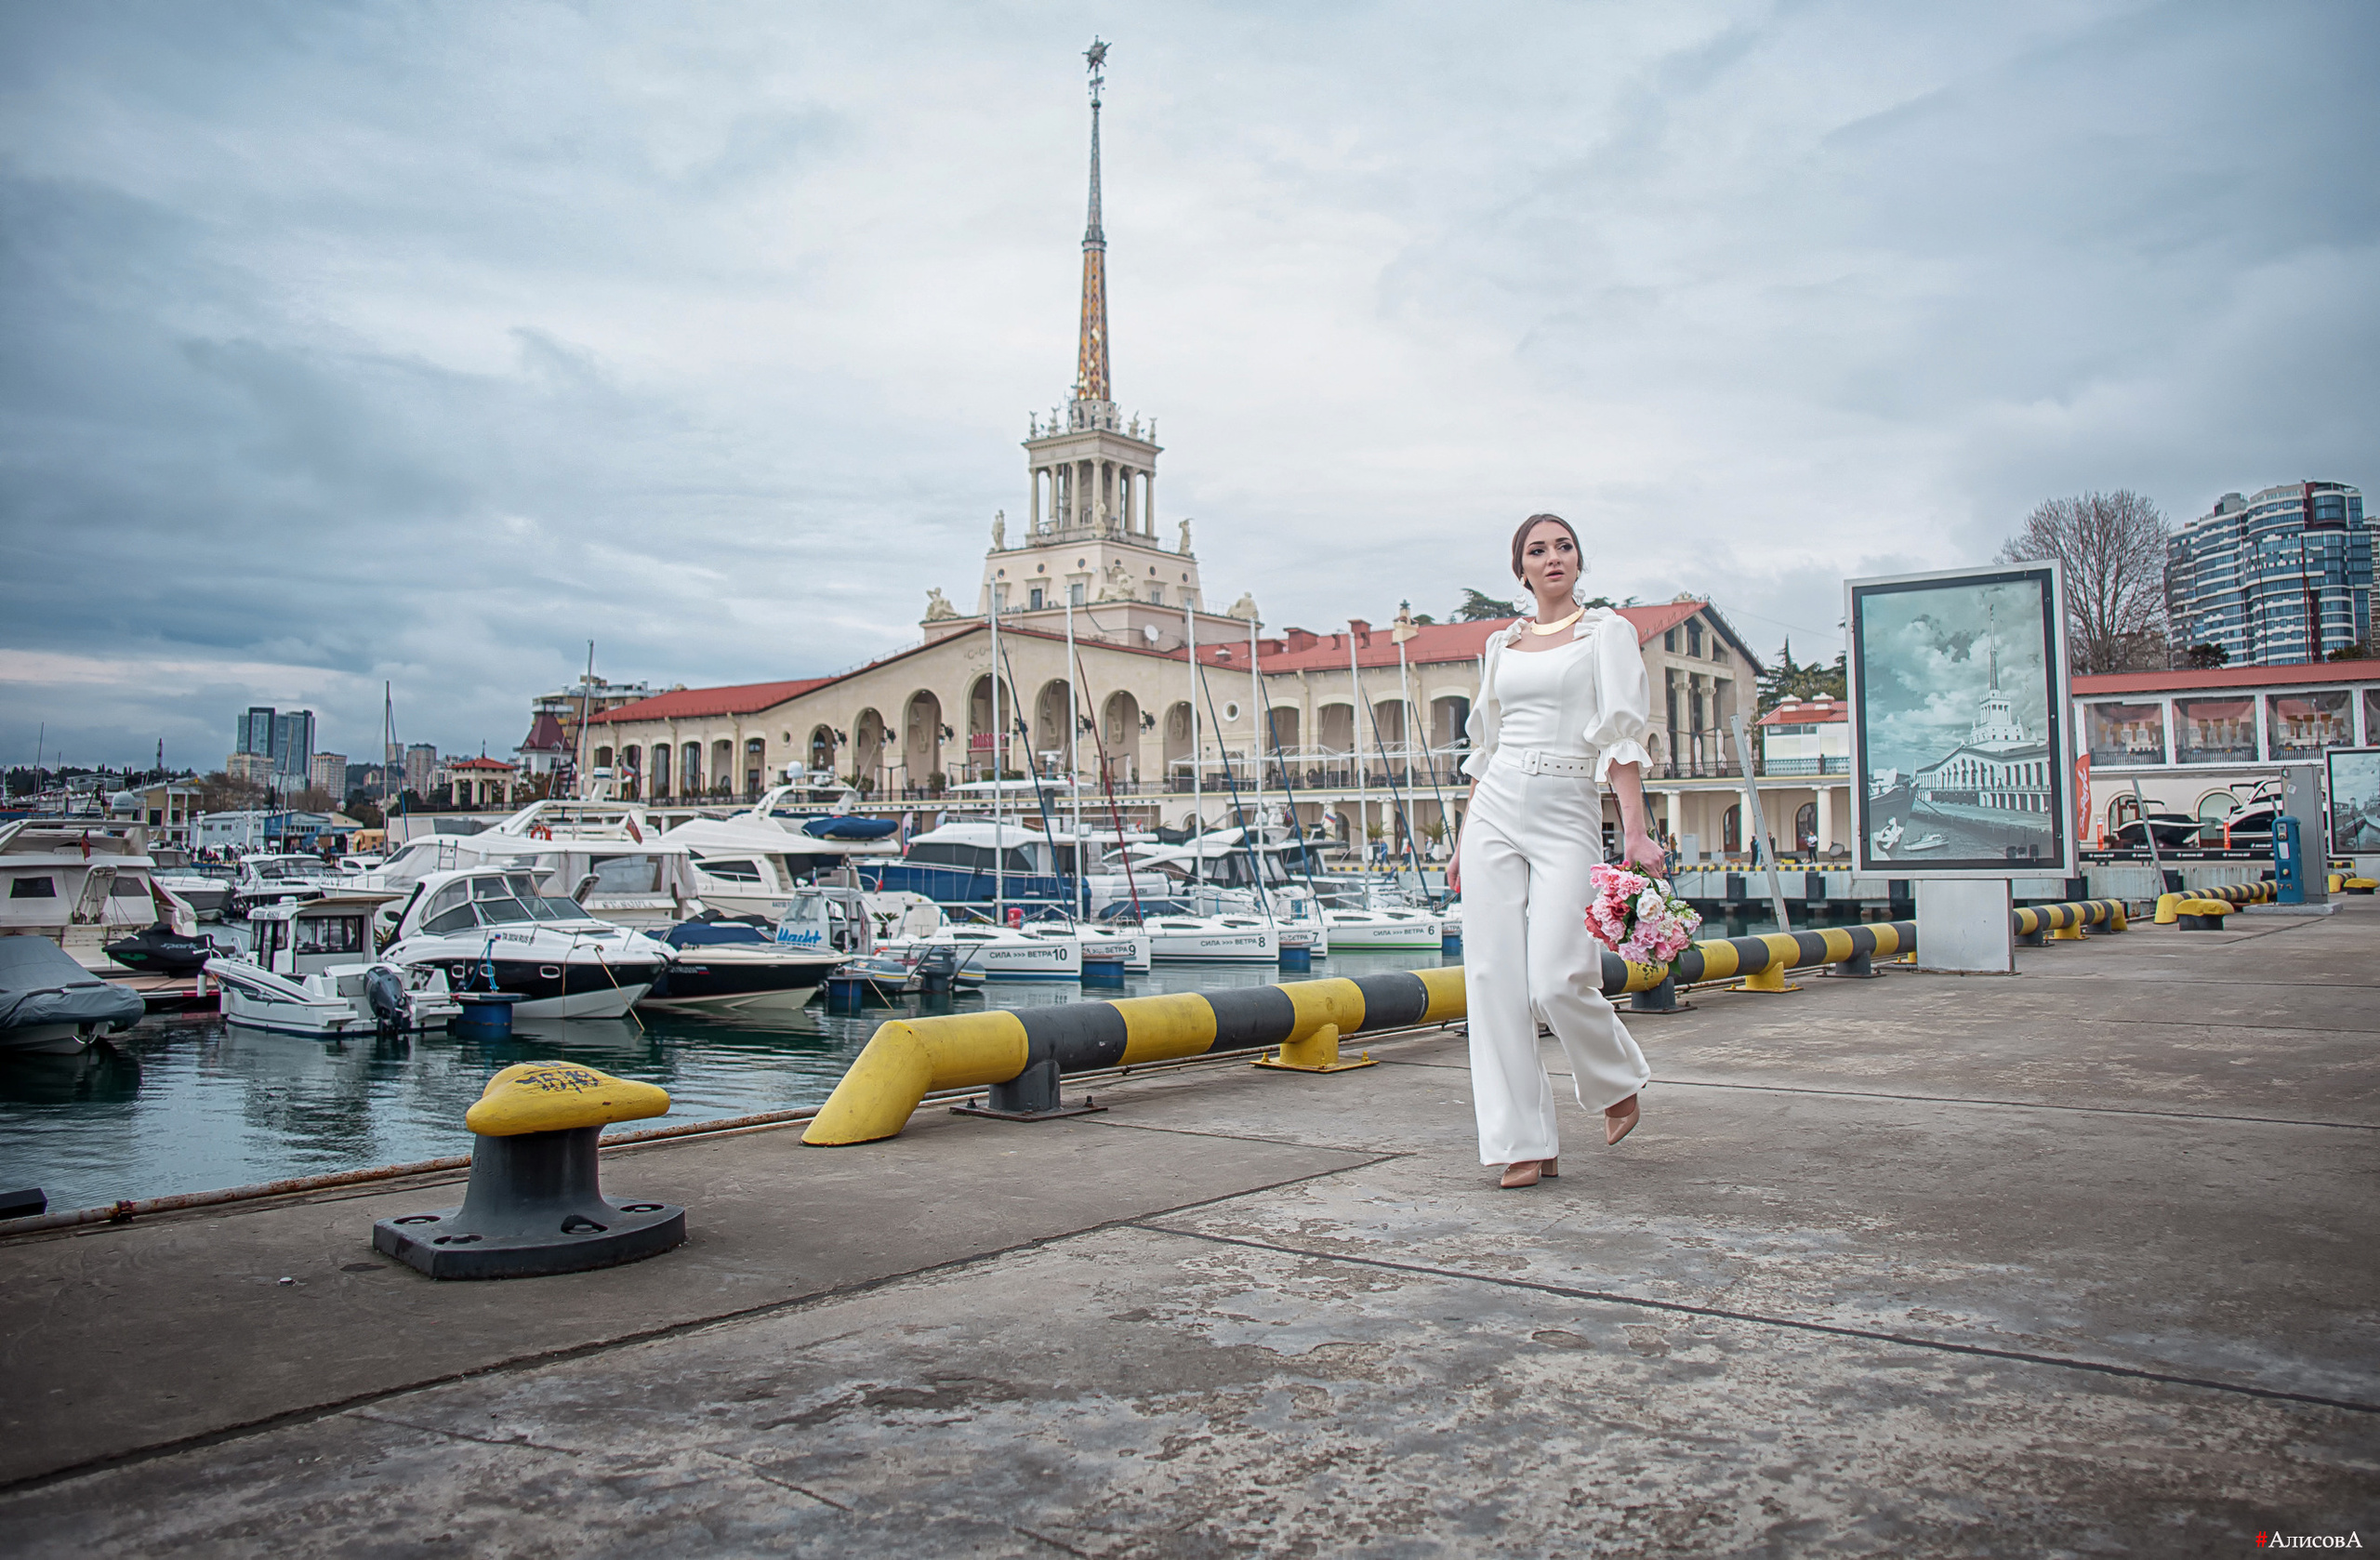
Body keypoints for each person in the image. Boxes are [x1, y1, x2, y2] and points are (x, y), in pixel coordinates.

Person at [1448, 513, 1664, 1189]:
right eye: (1537, 550)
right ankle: (1522, 1142)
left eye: (1563, 547)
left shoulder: (1607, 633)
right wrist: (1461, 840)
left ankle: (1616, 1078)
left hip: (1567, 801)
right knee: (1490, 979)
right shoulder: (1499, 644)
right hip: (1494, 805)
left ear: (1579, 560)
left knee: (1556, 975)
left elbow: (1620, 738)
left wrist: (1634, 829)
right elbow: (1484, 746)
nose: (1552, 558)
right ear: (1521, 569)